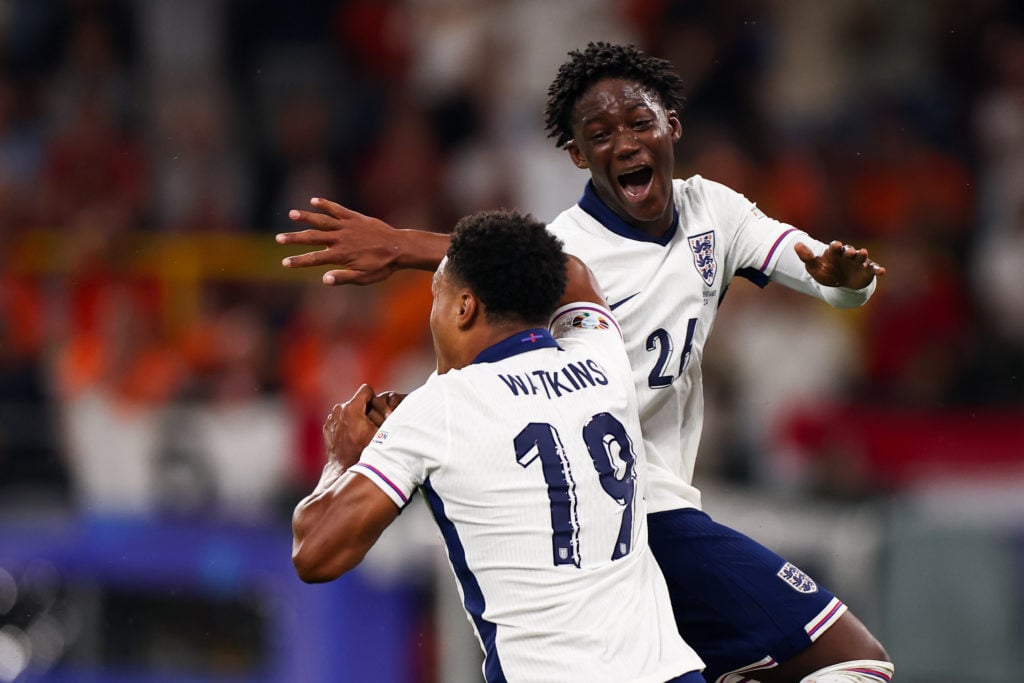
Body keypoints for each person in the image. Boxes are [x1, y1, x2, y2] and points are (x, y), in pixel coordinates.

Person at [278, 43, 894, 683]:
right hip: (640, 512)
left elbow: (830, 275)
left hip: (631, 521)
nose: (624, 142)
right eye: (600, 134)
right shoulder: (568, 266)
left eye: (639, 123)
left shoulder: (714, 211)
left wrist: (843, 280)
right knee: (855, 662)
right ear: (576, 155)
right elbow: (529, 271)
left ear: (672, 126)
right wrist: (406, 247)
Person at [289, 209, 705, 683]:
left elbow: (315, 553)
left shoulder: (437, 409)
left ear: (464, 308)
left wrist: (343, 460)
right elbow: (574, 272)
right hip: (672, 673)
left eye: (437, 297)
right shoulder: (603, 358)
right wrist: (406, 245)